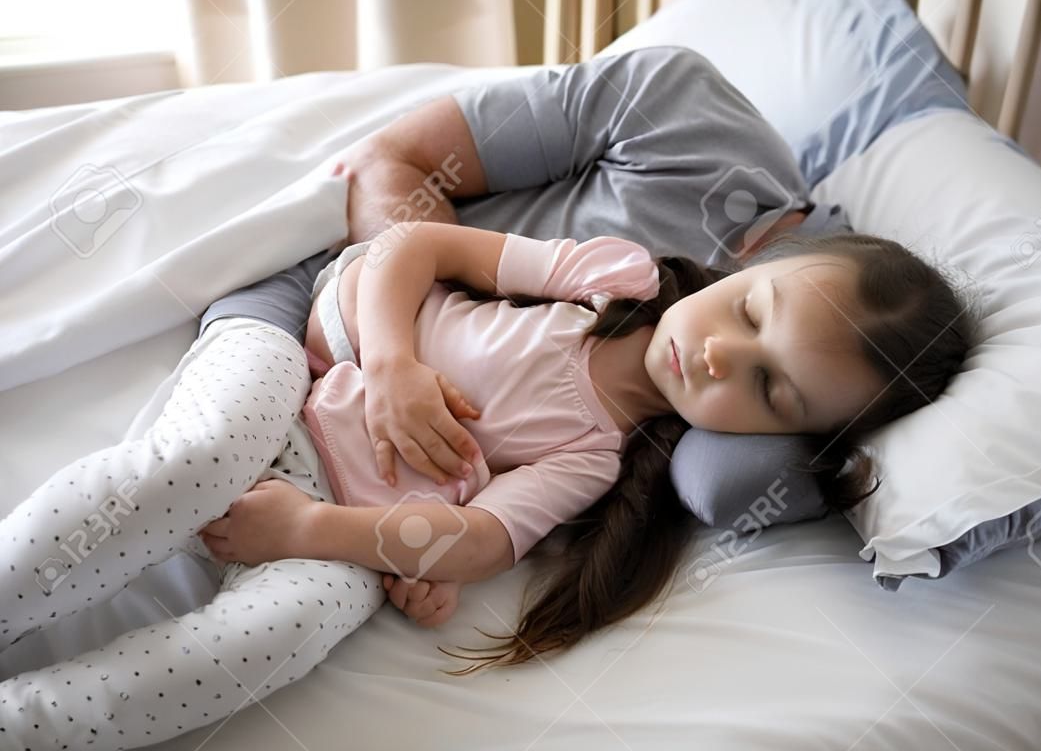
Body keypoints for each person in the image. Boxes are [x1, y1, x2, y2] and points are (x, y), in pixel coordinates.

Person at [0, 45, 973, 748]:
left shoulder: (601, 458)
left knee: (284, 633)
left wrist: (309, 532)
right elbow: (410, 238)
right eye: (751, 313)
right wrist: (390, 367)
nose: (722, 360)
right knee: (195, 461)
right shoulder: (613, 276)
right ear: (760, 269)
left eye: (769, 390)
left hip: (345, 505)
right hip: (316, 349)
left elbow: (477, 542)